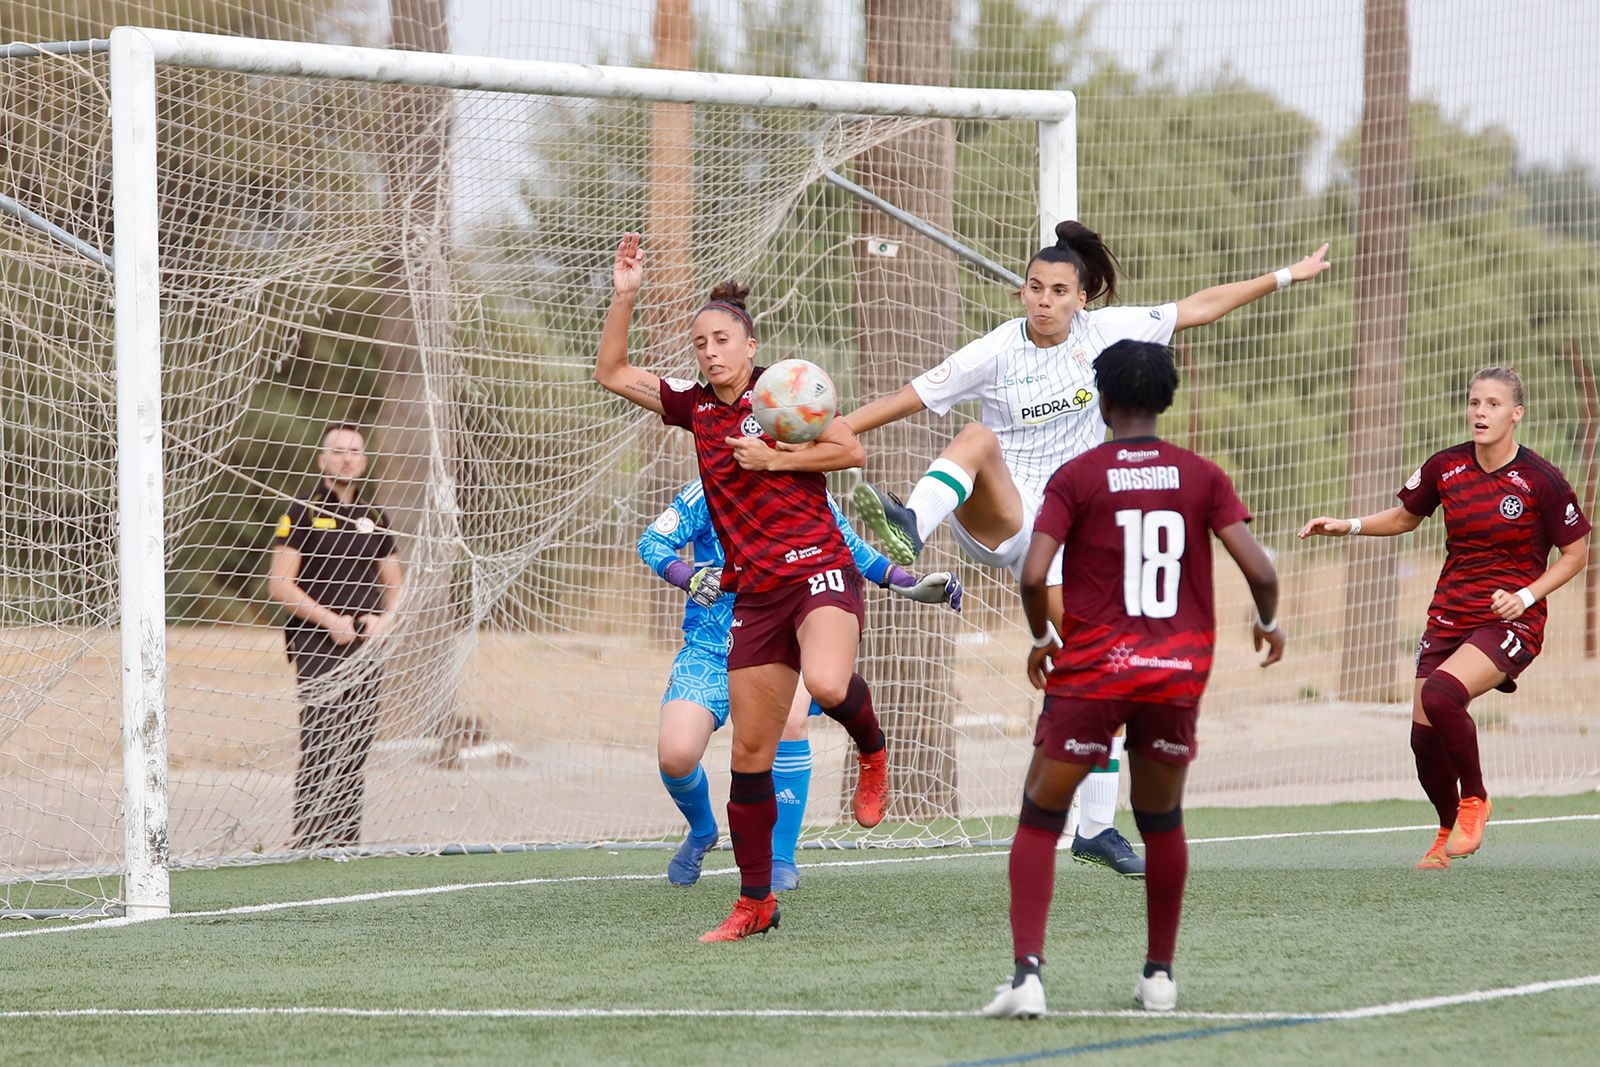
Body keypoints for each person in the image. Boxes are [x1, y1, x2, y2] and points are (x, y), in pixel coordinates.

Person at [846, 220, 1327, 874]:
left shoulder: (1106, 332)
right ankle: (911, 524)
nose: (1044, 299)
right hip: (1000, 517)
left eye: (1058, 290)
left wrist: (1286, 275)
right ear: (1022, 292)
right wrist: (827, 432)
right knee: (976, 438)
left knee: (1096, 669)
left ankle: (1095, 826)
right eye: (1034, 287)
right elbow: (908, 399)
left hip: (1062, 532)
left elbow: (1198, 307)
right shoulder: (995, 350)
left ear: (1080, 299)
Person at [981, 340, 1284, 1019]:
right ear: (1166, 399)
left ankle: (1027, 975)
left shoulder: (1077, 475)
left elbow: (1034, 574)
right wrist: (1269, 623)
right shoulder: (1203, 475)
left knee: (1040, 812)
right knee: (1161, 819)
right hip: (1175, 672)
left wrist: (1040, 637)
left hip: (1094, 670)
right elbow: (1260, 568)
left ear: (1104, 400)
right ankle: (1158, 976)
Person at [595, 231, 880, 942]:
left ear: (750, 346)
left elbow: (850, 448)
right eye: (699, 342)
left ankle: (872, 753)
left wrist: (772, 461)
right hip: (755, 595)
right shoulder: (695, 407)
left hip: (819, 569)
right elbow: (611, 372)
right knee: (749, 757)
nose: (710, 351)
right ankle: (756, 903)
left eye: (722, 339)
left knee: (828, 680)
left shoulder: (783, 396)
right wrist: (624, 297)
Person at [1298, 366, 1589, 870]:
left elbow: (1576, 554)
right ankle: (1444, 830)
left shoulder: (1541, 479)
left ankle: (1475, 801)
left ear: (1516, 414)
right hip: (1449, 615)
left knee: (1441, 694)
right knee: (1422, 737)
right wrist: (1346, 526)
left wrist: (1525, 596)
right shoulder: (1446, 467)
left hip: (1511, 621)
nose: (1480, 412)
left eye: (1493, 404)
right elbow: (1406, 518)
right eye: (1475, 402)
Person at [639, 480, 961, 891]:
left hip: (778, 643)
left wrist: (906, 582)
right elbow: (652, 541)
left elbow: (851, 549)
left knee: (791, 722)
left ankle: (781, 857)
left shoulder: (807, 488)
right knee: (676, 756)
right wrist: (686, 575)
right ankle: (703, 830)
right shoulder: (708, 488)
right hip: (711, 649)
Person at [267, 422, 402, 851]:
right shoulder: (300, 512)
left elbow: (396, 585)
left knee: (355, 745)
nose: (346, 458)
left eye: (354, 451)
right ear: (322, 459)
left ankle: (345, 843)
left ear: (363, 462)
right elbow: (280, 585)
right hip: (317, 645)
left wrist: (385, 619)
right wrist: (330, 621)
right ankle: (308, 843)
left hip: (364, 648)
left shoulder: (374, 515)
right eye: (337, 450)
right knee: (321, 741)